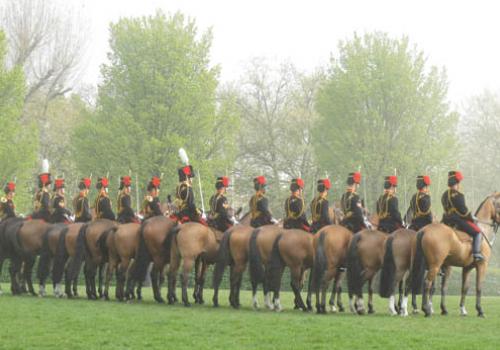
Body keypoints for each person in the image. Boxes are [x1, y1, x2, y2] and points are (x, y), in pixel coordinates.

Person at [442, 171, 483, 261]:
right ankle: (476, 253)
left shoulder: (444, 195)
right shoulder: (459, 195)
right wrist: (472, 217)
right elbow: (463, 211)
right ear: (457, 183)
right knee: (478, 232)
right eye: (458, 183)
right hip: (458, 220)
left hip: (446, 220)